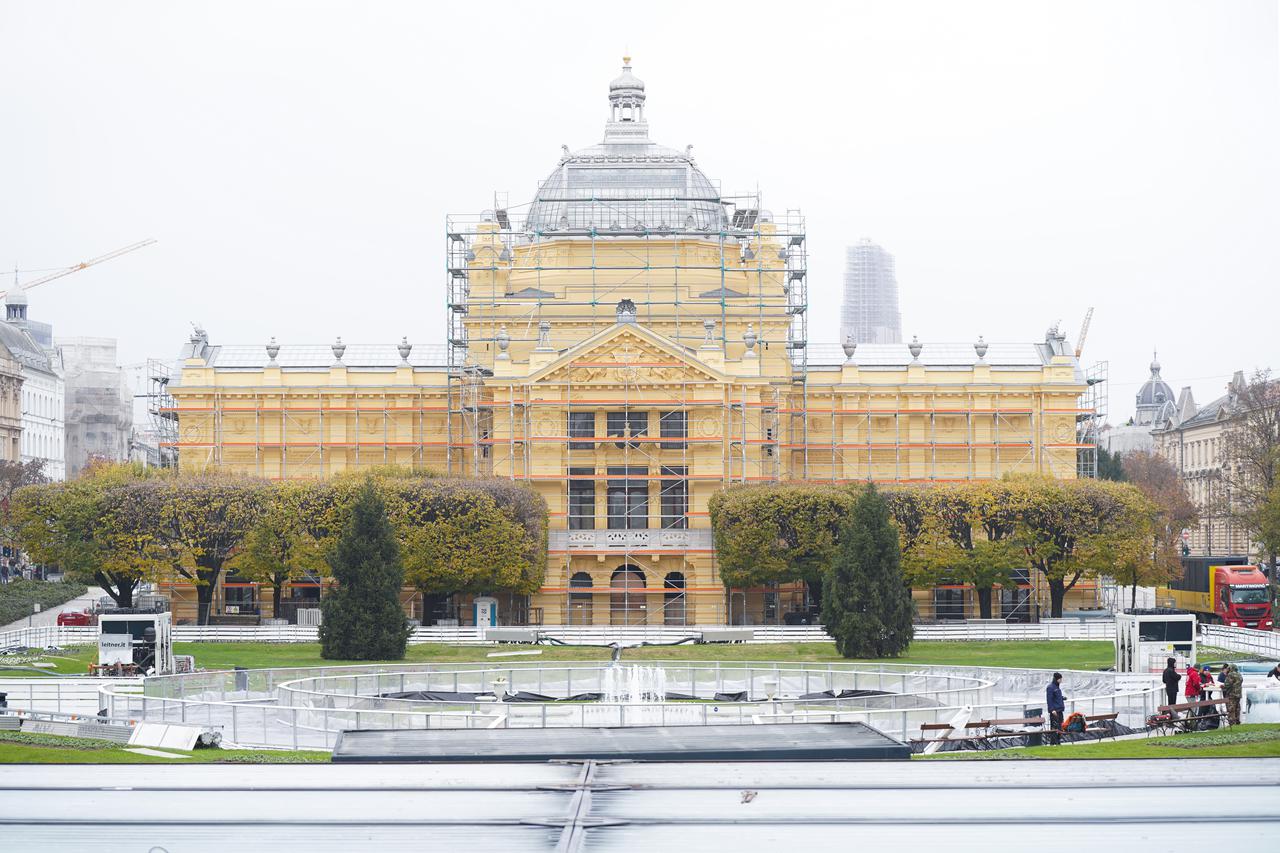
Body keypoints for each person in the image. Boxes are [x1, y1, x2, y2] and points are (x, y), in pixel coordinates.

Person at [1046, 672, 1066, 745]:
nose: (1061, 680)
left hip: (1060, 710)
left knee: (1060, 727)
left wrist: (1062, 698)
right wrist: (1052, 710)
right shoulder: (1050, 687)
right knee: (1054, 728)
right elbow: (1049, 700)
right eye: (1060, 679)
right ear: (1057, 679)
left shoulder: (1057, 687)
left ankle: (1058, 742)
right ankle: (1052, 743)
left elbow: (1056, 697)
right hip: (1055, 711)